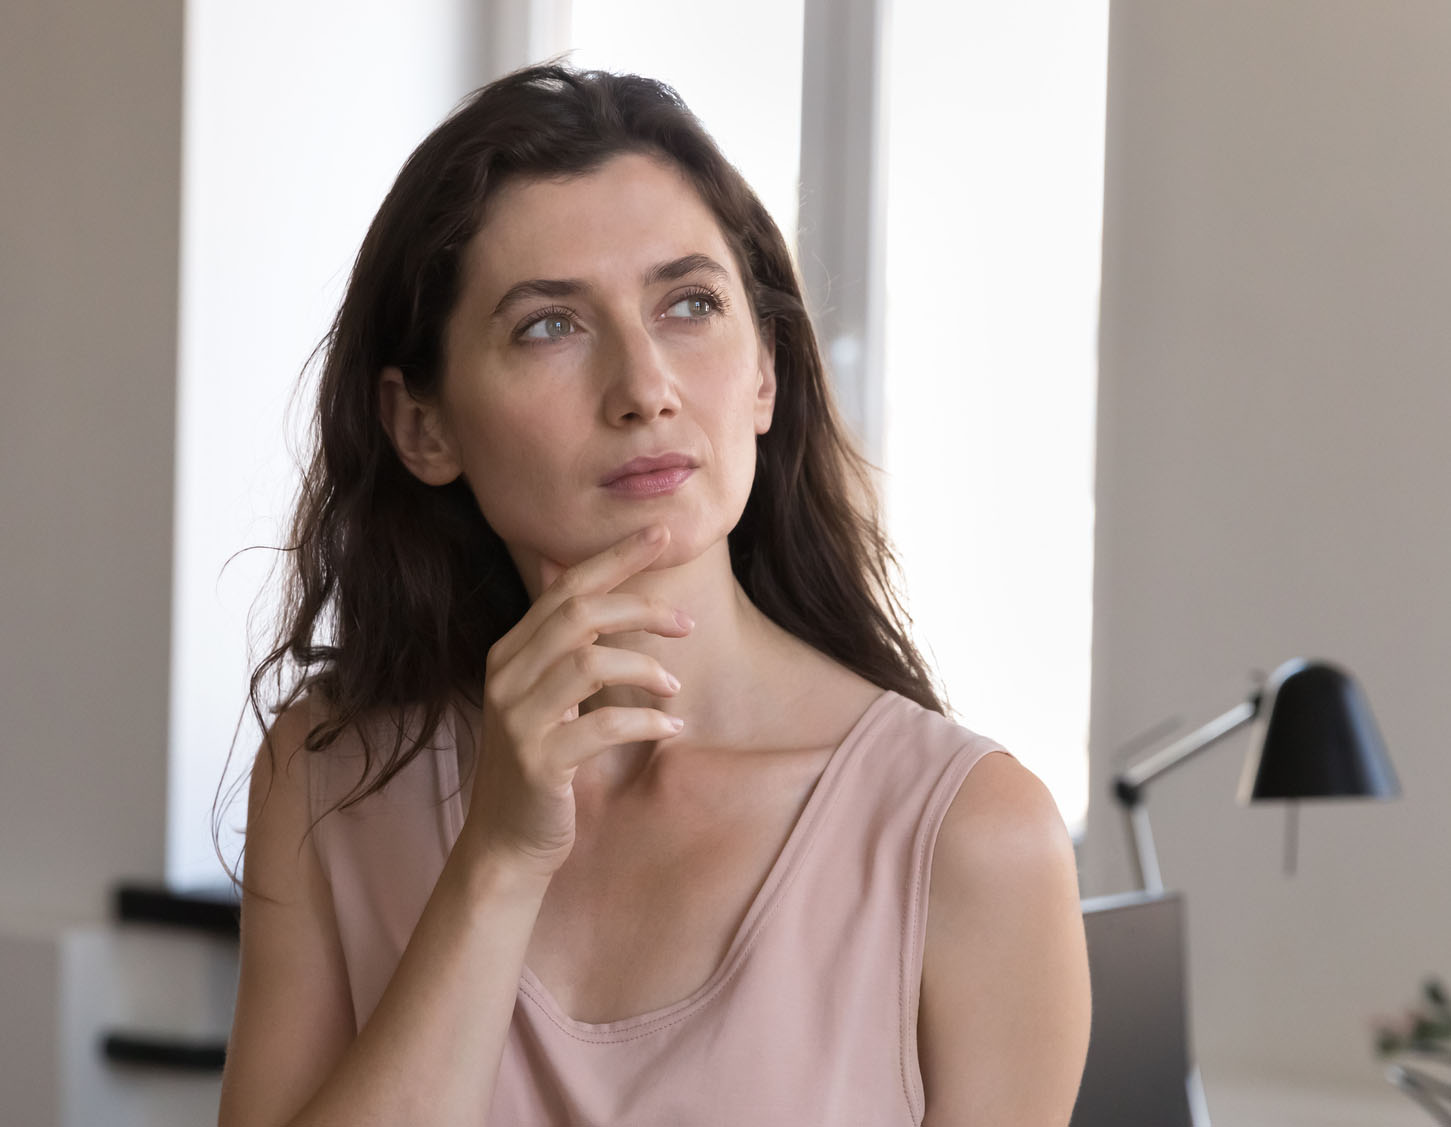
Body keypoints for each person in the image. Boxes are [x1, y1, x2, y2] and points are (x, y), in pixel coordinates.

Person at [217, 64, 1089, 1127]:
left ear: (763, 369)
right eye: (548, 325)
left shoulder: (971, 839)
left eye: (688, 305)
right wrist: (493, 861)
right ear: (422, 427)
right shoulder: (329, 782)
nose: (642, 387)